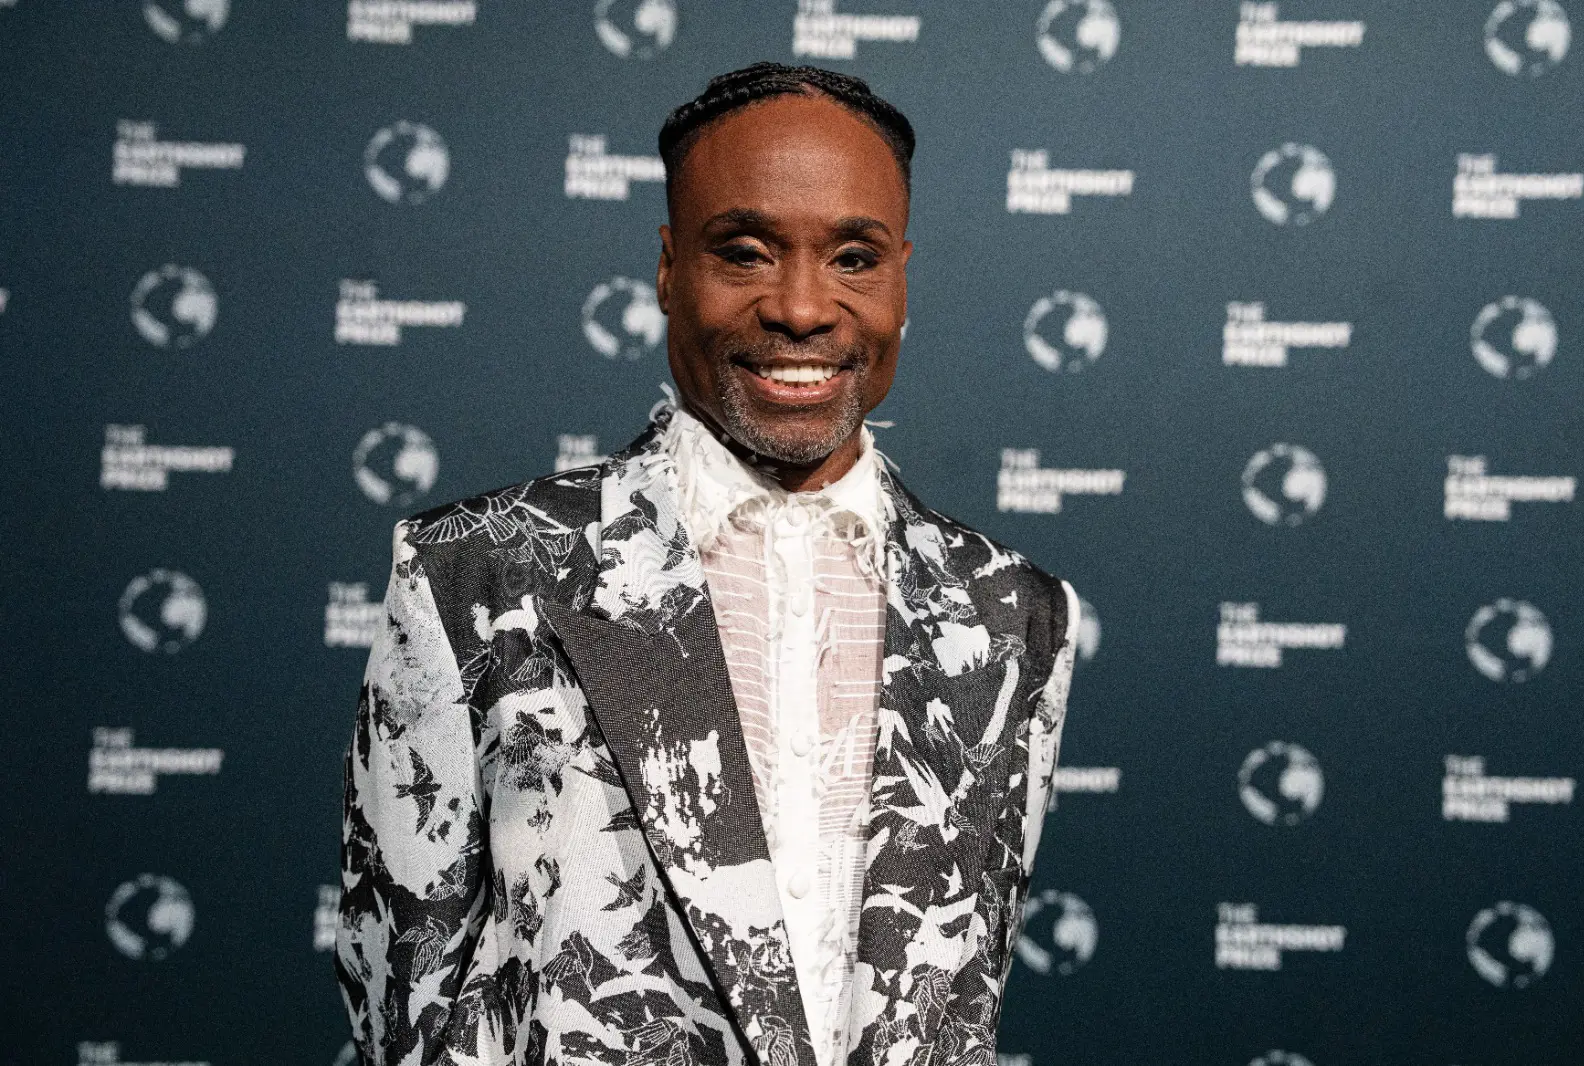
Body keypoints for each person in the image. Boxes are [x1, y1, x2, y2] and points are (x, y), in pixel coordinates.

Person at [336, 61, 1081, 1066]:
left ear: (902, 274)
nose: (803, 308)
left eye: (854, 258)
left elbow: (962, 996)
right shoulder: (478, 574)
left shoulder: (1012, 614)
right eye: (745, 252)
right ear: (668, 267)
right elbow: (404, 993)